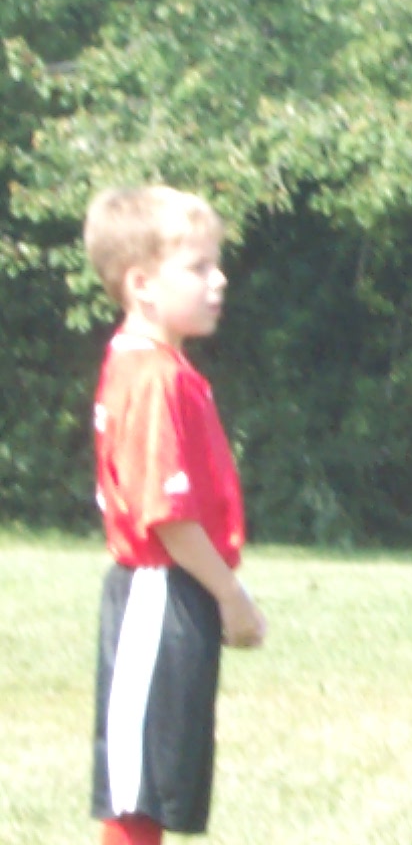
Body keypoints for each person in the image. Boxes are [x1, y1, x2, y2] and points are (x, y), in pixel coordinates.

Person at [83, 186, 267, 845]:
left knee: (159, 780)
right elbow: (167, 516)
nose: (219, 280)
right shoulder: (154, 377)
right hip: (158, 589)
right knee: (138, 792)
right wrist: (231, 596)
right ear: (141, 285)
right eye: (198, 267)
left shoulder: (157, 365)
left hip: (174, 592)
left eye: (217, 264)